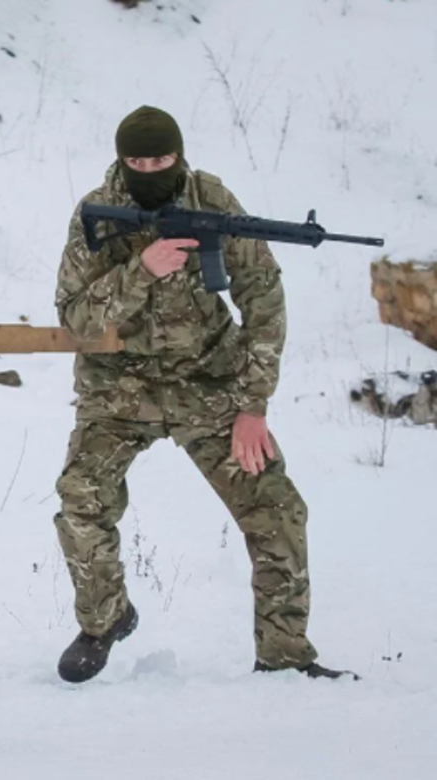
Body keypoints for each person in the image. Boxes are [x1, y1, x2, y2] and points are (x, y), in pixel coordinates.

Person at [52, 105, 354, 683]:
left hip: (210, 384)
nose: (149, 169)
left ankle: (285, 657)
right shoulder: (95, 213)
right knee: (80, 501)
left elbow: (263, 300)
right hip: (118, 389)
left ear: (180, 156)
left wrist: (252, 406)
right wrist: (142, 269)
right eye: (137, 161)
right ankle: (104, 621)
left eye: (160, 159)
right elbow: (74, 321)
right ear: (121, 161)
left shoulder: (212, 200)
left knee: (277, 511)